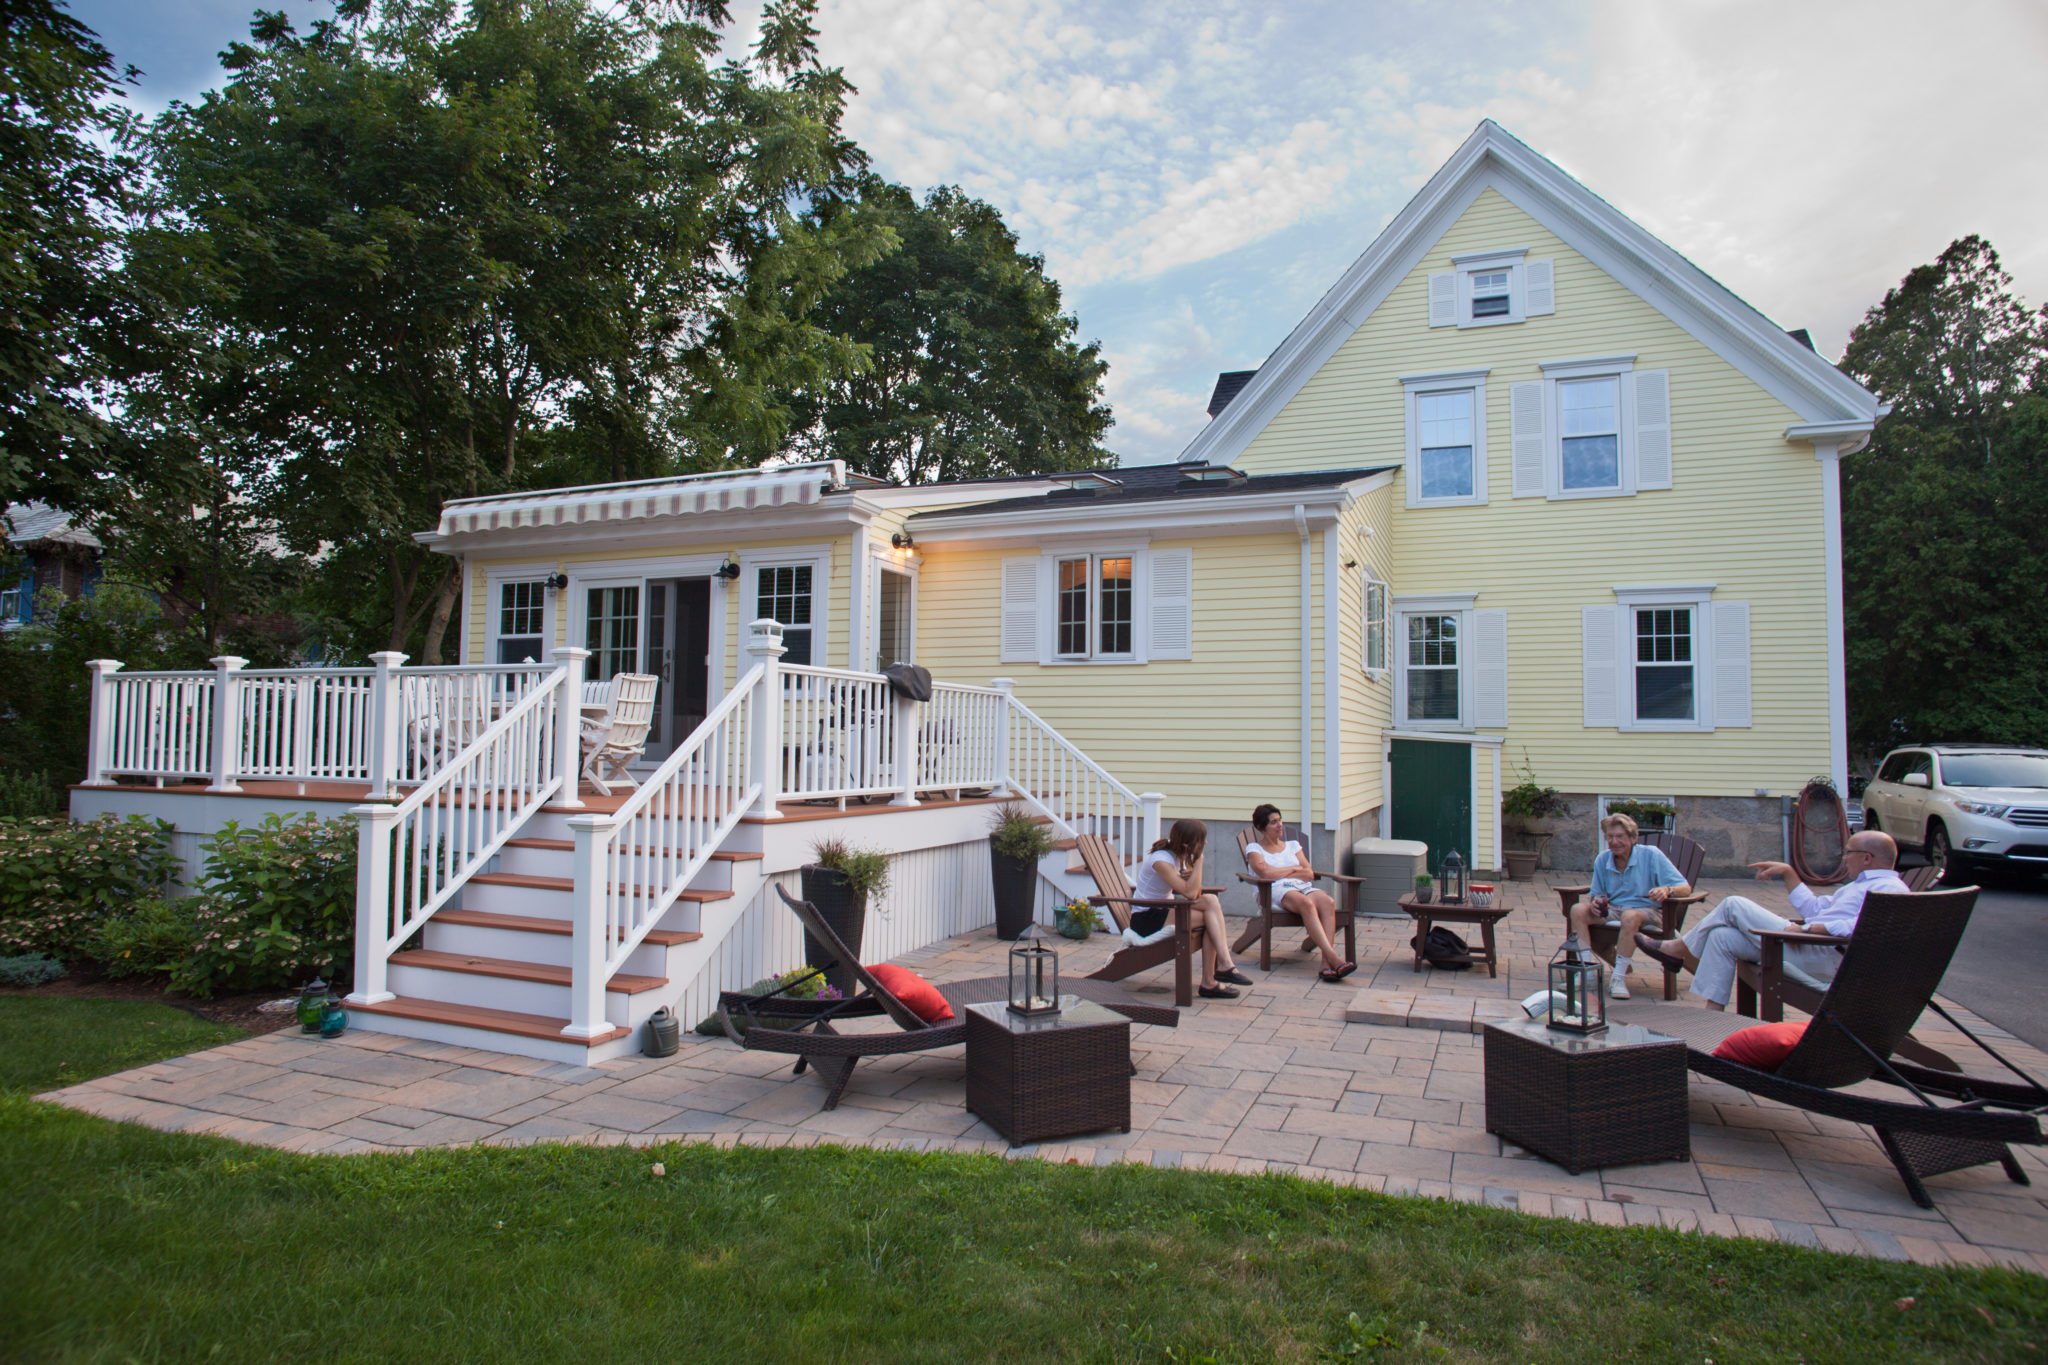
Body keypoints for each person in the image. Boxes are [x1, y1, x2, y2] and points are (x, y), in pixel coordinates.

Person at [1650, 830, 1906, 1010]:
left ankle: (1677, 950)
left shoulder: (1890, 890)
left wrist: (1810, 929)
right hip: (1812, 947)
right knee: (1722, 937)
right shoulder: (1860, 886)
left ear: (1867, 858)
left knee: (1733, 904)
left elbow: (1861, 928)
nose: (1844, 858)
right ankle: (1712, 1013)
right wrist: (1788, 873)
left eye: (1847, 852)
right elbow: (1815, 908)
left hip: (1824, 955)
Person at [1563, 813, 1690, 1000]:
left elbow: (1685, 888)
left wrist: (1667, 890)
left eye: (1620, 837)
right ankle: (1586, 972)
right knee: (1577, 910)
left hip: (1650, 912)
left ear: (1633, 838)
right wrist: (1596, 903)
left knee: (1629, 916)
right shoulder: (1603, 859)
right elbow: (1597, 893)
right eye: (1610, 837)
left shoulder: (1652, 855)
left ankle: (1618, 978)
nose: (1614, 842)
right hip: (1615, 909)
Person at [1131, 818, 1252, 1000]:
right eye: (1202, 841)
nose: (1206, 844)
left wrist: (1192, 868)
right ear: (1188, 844)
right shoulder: (1161, 861)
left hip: (1163, 912)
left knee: (1210, 902)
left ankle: (1220, 970)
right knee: (1210, 918)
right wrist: (1200, 861)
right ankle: (1217, 974)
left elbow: (1195, 892)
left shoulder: (1179, 858)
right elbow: (1190, 893)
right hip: (1146, 919)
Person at [1245, 803, 1355, 981]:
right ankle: (1334, 958)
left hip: (1302, 887)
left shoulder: (1293, 845)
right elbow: (1265, 874)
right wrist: (1294, 868)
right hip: (1274, 890)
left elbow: (1309, 873)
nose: (1279, 825)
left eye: (1280, 820)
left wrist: (1283, 871)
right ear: (1261, 827)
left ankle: (1326, 965)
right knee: (1307, 903)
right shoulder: (1254, 849)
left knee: (1328, 902)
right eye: (1273, 822)